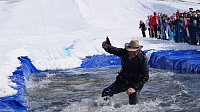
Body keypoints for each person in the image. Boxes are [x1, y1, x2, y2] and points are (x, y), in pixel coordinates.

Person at [101, 39, 149, 105]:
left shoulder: (142, 58)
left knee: (133, 106)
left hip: (135, 83)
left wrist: (134, 88)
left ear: (138, 51)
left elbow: (145, 76)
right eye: (129, 51)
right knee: (106, 92)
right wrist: (106, 46)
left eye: (133, 52)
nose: (131, 53)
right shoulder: (124, 52)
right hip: (122, 80)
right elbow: (113, 50)